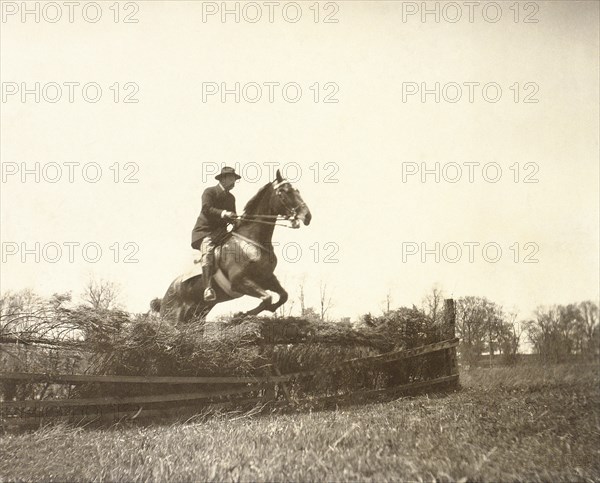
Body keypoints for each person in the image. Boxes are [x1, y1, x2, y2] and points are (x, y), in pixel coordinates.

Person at [191, 166, 241, 301]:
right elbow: (206, 209)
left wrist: (237, 221)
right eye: (231, 178)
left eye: (235, 179)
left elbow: (233, 216)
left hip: (222, 233)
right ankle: (208, 288)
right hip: (205, 231)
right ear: (223, 179)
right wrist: (224, 213)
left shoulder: (231, 198)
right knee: (208, 250)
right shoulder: (209, 192)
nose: (234, 182)